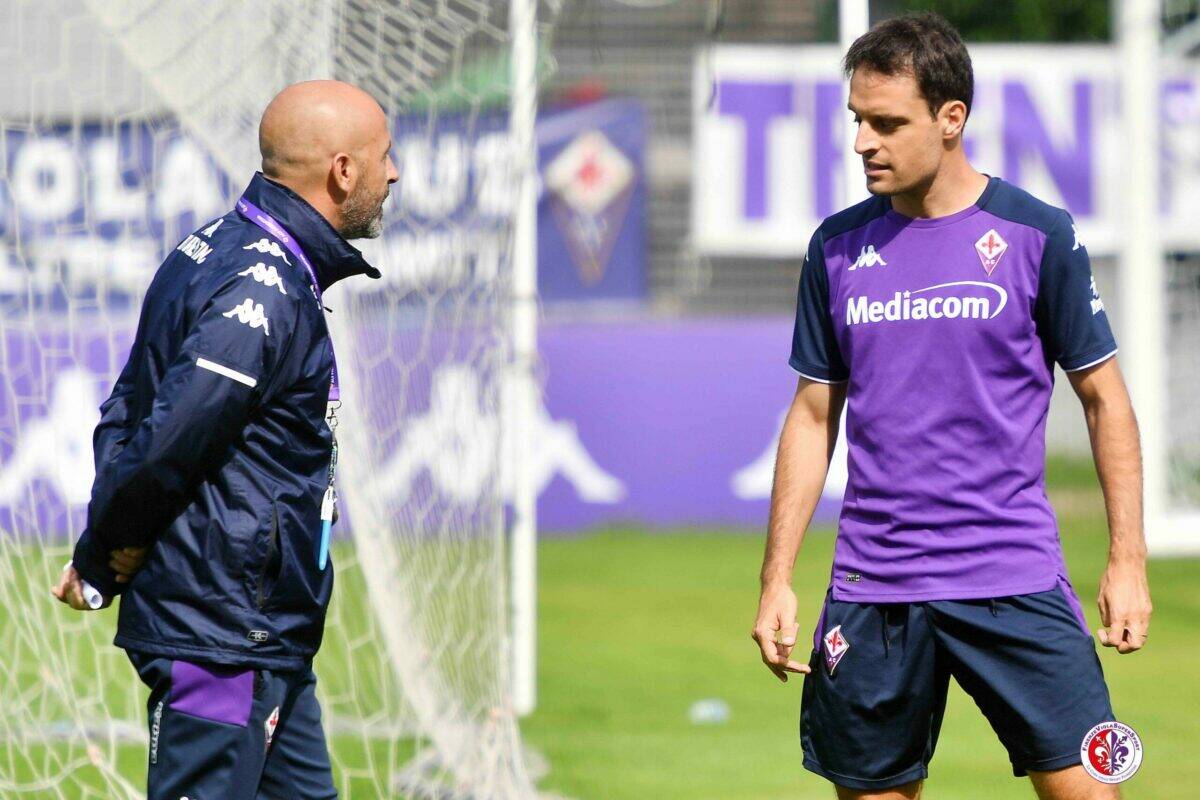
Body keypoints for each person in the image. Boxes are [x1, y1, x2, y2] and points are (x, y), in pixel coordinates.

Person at [750, 13, 1151, 800]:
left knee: (1092, 791)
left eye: (887, 123)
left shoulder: (1038, 235)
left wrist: (1127, 561)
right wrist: (777, 578)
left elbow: (1105, 400)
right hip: (874, 586)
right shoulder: (835, 247)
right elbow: (812, 414)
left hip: (1013, 576)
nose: (863, 142)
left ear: (950, 118)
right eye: (857, 120)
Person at [51, 79, 398, 800]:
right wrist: (103, 553)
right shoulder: (261, 289)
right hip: (221, 632)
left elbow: (127, 406)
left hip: (263, 637)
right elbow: (167, 438)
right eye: (384, 156)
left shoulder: (212, 246)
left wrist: (110, 545)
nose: (393, 174)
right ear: (342, 170)